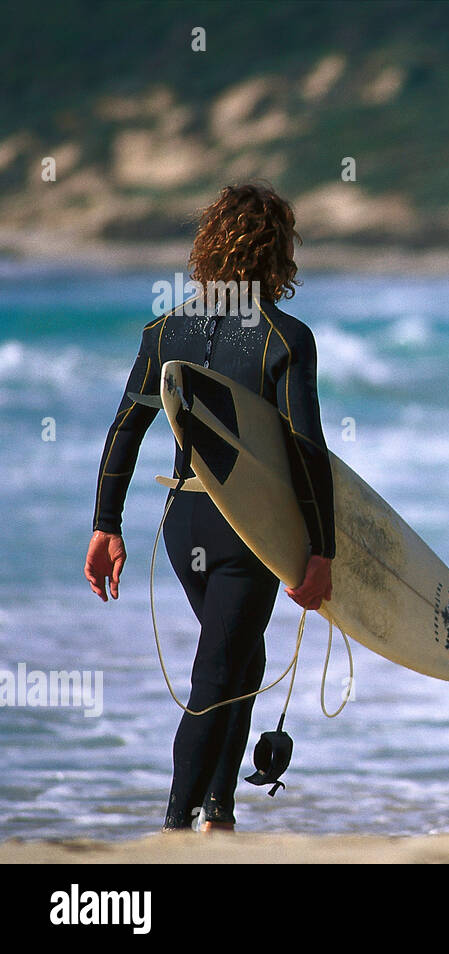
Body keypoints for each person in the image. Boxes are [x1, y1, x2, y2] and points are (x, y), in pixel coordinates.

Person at [83, 183, 336, 832]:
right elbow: (307, 449)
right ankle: (174, 826)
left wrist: (106, 526)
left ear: (208, 248)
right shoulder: (286, 337)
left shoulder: (164, 329)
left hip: (183, 522)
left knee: (240, 658)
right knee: (218, 672)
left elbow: (126, 429)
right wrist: (322, 549)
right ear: (278, 252)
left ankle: (219, 813)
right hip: (248, 533)